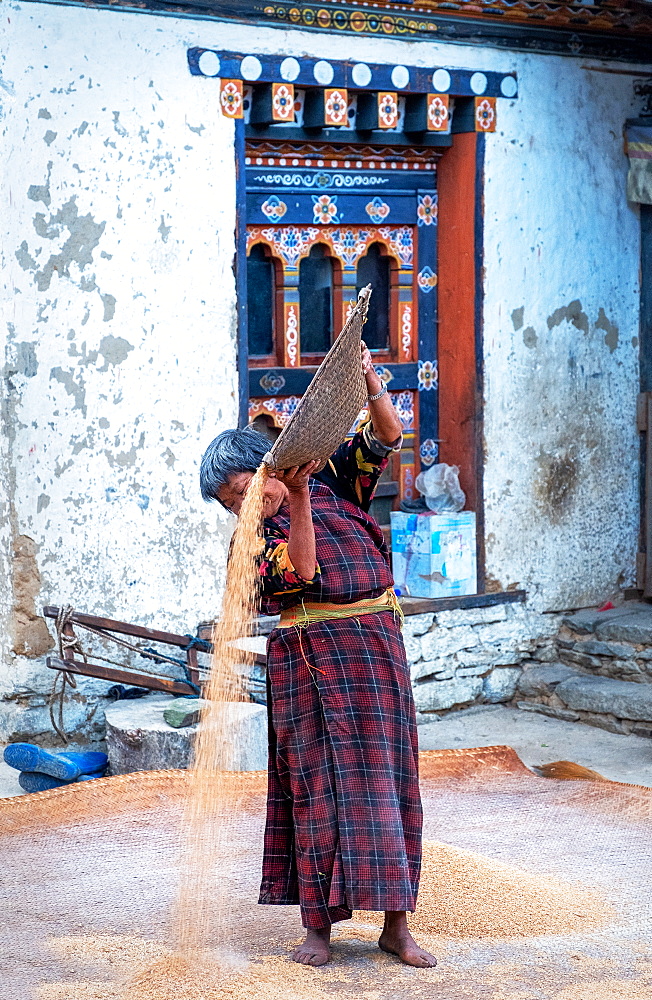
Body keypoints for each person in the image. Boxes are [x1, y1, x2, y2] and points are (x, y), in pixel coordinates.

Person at [199, 344, 436, 969]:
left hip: (377, 651)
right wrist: (295, 499)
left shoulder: (335, 480)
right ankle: (318, 932)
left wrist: (367, 381)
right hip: (308, 664)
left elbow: (386, 435)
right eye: (230, 505)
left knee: (388, 784)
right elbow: (303, 569)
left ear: (269, 466)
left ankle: (396, 925)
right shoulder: (252, 543)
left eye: (244, 492)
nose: (242, 508)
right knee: (314, 790)